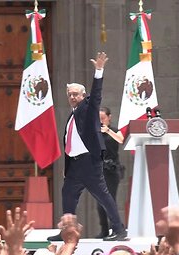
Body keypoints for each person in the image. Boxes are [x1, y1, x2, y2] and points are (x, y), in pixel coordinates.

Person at [47, 52, 127, 241]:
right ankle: (67, 230)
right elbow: (69, 142)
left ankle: (119, 230)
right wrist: (68, 169)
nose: (73, 97)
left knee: (103, 197)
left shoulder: (87, 107)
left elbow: (97, 94)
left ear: (83, 96)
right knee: (67, 194)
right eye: (70, 94)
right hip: (75, 165)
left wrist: (99, 71)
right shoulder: (72, 114)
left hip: (89, 163)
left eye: (76, 94)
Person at [96, 107, 124, 238]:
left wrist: (107, 131)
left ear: (109, 118)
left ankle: (118, 230)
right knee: (99, 203)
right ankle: (104, 230)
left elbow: (120, 139)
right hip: (99, 170)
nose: (101, 121)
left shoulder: (114, 130)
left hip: (112, 169)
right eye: (98, 119)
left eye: (103, 118)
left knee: (109, 200)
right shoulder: (94, 132)